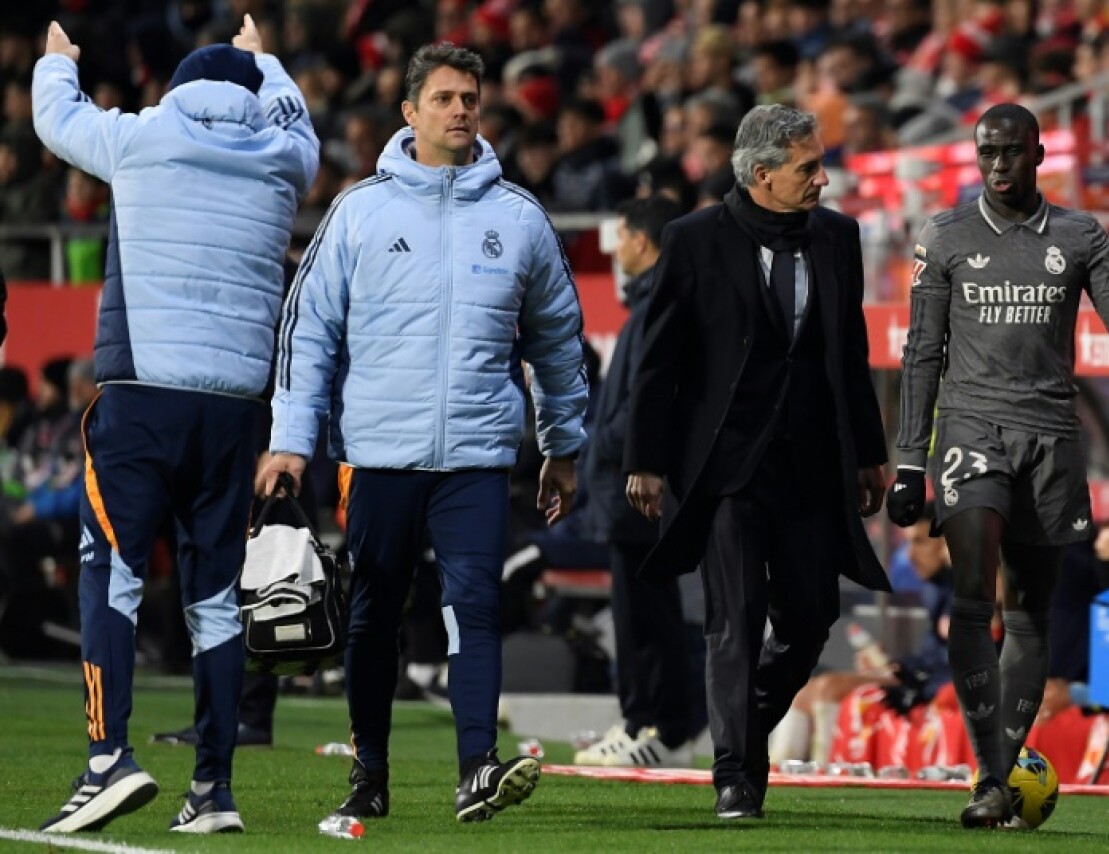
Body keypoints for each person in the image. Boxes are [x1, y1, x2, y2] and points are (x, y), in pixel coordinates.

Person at [257, 42, 587, 825]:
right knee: (373, 613)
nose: (461, 109)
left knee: (475, 603)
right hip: (379, 454)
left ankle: (477, 766)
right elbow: (308, 334)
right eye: (443, 98)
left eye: (470, 97)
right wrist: (291, 441)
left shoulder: (520, 219)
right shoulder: (359, 212)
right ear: (409, 112)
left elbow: (558, 340)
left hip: (476, 455)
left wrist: (563, 445)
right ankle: (369, 770)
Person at [33, 16, 318, 834]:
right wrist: (268, 59)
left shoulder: (143, 137)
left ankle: (106, 760)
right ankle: (214, 791)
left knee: (111, 576)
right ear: (255, 91)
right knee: (218, 601)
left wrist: (57, 64)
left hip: (143, 400)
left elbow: (56, 121)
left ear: (179, 89)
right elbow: (300, 120)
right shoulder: (282, 157)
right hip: (235, 410)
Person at [887, 103, 1109, 829]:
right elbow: (921, 354)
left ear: (1040, 155)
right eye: (987, 153)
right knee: (973, 588)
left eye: (1012, 152)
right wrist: (909, 462)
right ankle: (987, 776)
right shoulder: (945, 235)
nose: (999, 165)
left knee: (1030, 611)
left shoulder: (1078, 235)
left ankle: (1001, 776)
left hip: (1051, 438)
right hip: (971, 430)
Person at [624, 103, 890, 820]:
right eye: (808, 167)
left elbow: (851, 355)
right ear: (762, 173)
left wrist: (870, 454)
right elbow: (658, 364)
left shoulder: (838, 238)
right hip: (723, 468)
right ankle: (736, 774)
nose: (824, 180)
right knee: (733, 620)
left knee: (810, 619)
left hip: (811, 467)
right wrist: (645, 461)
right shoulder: (693, 240)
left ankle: (738, 730)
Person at [578, 195, 697, 768]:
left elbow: (645, 403)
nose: (616, 245)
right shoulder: (652, 305)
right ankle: (654, 722)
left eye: (621, 234)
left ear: (643, 242)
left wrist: (606, 449)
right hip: (630, 487)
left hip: (637, 491)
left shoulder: (658, 309)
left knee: (645, 617)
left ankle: (649, 725)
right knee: (645, 613)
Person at [770, 503, 954, 765]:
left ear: (948, 545)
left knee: (830, 688)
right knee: (805, 691)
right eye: (908, 543)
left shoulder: (972, 588)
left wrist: (906, 673)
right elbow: (932, 651)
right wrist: (896, 666)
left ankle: (825, 771)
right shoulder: (935, 587)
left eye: (920, 543)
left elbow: (969, 657)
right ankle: (776, 771)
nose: (910, 555)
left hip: (936, 685)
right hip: (920, 676)